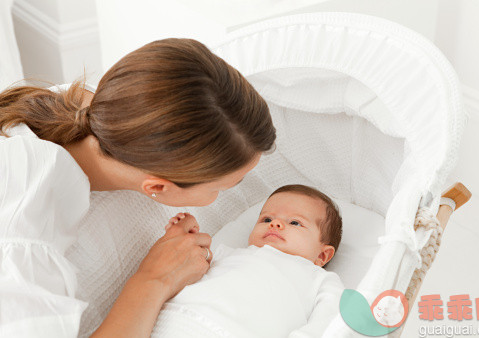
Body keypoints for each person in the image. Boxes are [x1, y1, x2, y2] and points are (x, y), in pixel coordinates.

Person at [0, 38, 276, 337]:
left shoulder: (100, 107)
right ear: (157, 187)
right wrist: (153, 279)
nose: (227, 193)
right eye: (222, 188)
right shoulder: (22, 222)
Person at [153, 184, 344, 337]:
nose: (274, 224)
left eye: (295, 222)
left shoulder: (320, 279)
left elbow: (330, 322)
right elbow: (186, 266)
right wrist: (183, 237)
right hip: (175, 320)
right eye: (266, 219)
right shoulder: (227, 253)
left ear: (322, 255)